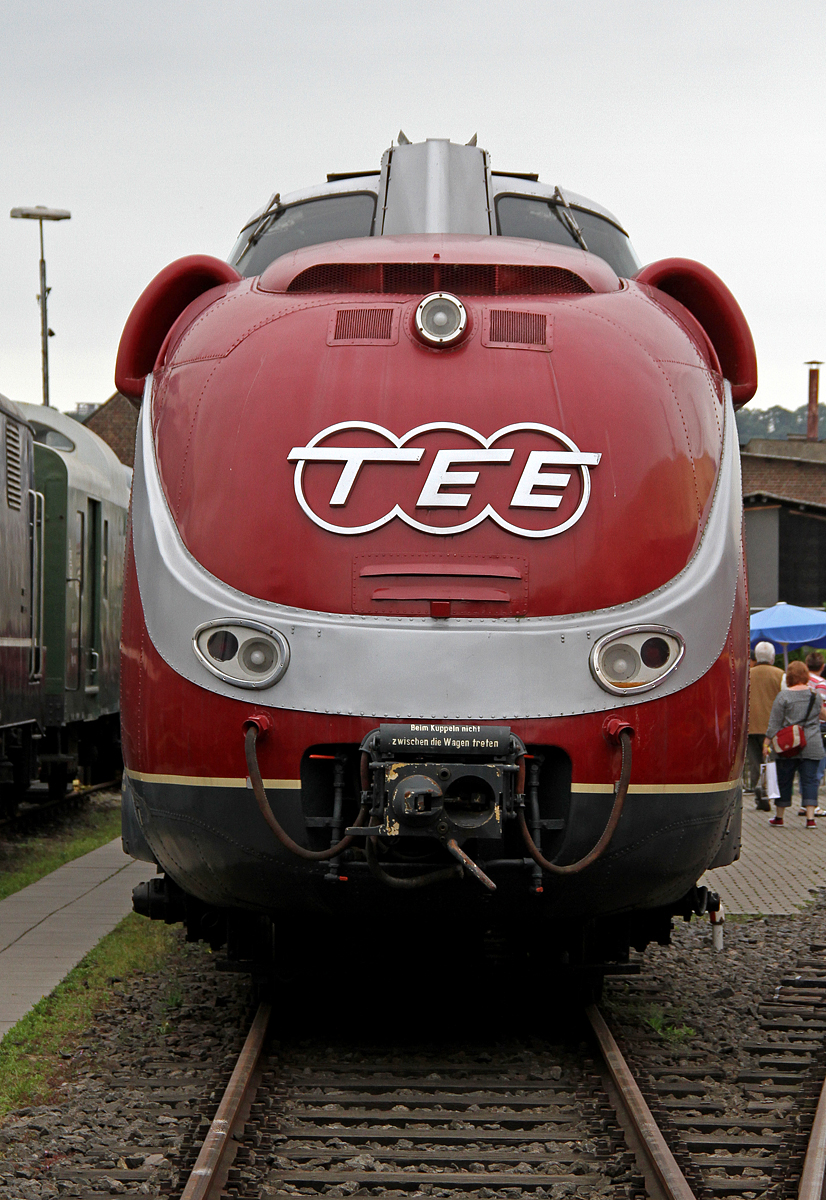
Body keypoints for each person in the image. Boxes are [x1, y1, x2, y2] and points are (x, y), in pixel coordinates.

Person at [765, 659, 826, 828]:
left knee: (784, 779)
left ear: (789, 676)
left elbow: (775, 722)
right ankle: (810, 818)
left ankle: (779, 817)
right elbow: (821, 715)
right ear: (806, 676)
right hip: (812, 742)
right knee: (810, 780)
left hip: (788, 744)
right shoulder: (815, 695)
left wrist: (767, 741)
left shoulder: (783, 696)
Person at [747, 641, 783, 810]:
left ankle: (758, 790)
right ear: (772, 657)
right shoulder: (780, 675)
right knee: (770, 761)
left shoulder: (747, 674)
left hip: (749, 726)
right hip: (772, 728)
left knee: (755, 762)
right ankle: (765, 791)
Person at [803, 652, 826, 816]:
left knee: (806, 769)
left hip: (802, 729)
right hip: (819, 729)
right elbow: (821, 710)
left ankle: (805, 803)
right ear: (822, 666)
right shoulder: (821, 683)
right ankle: (812, 804)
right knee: (818, 768)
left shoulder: (801, 681)